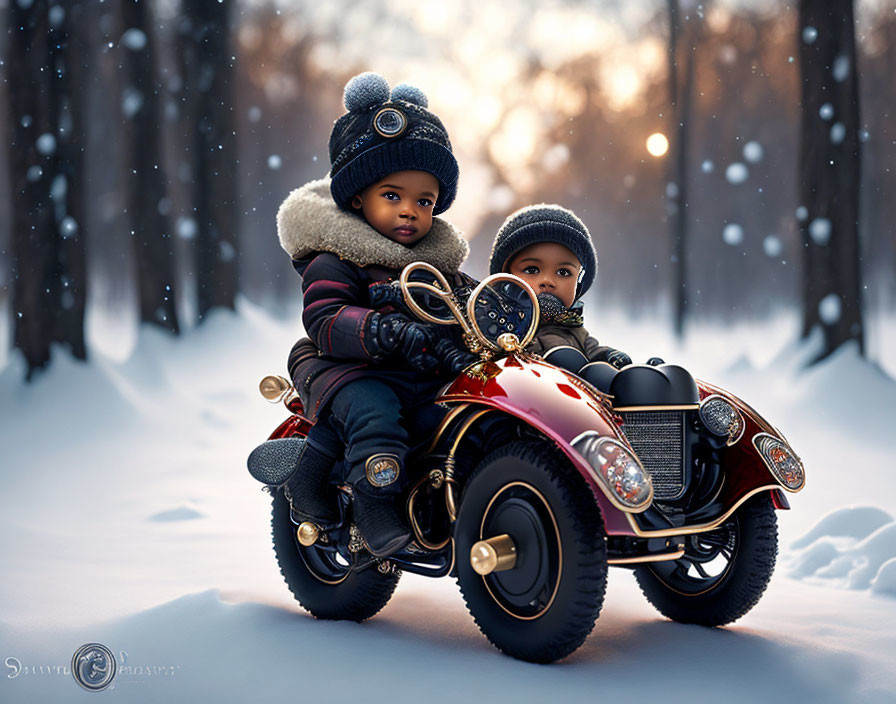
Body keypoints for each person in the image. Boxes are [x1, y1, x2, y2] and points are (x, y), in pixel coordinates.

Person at [275, 73, 470, 558]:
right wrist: (383, 330)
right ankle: (374, 498)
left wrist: (491, 312)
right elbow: (324, 317)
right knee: (375, 411)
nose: (410, 211)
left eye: (424, 201)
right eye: (393, 196)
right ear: (358, 196)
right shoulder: (336, 257)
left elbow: (465, 302)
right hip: (348, 368)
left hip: (417, 369)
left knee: (458, 411)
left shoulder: (435, 266)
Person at [489, 204, 633, 381]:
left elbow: (593, 351)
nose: (548, 281)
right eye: (532, 270)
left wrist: (610, 358)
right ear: (505, 277)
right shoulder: (496, 322)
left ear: (578, 285)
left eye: (563, 272)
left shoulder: (574, 329)